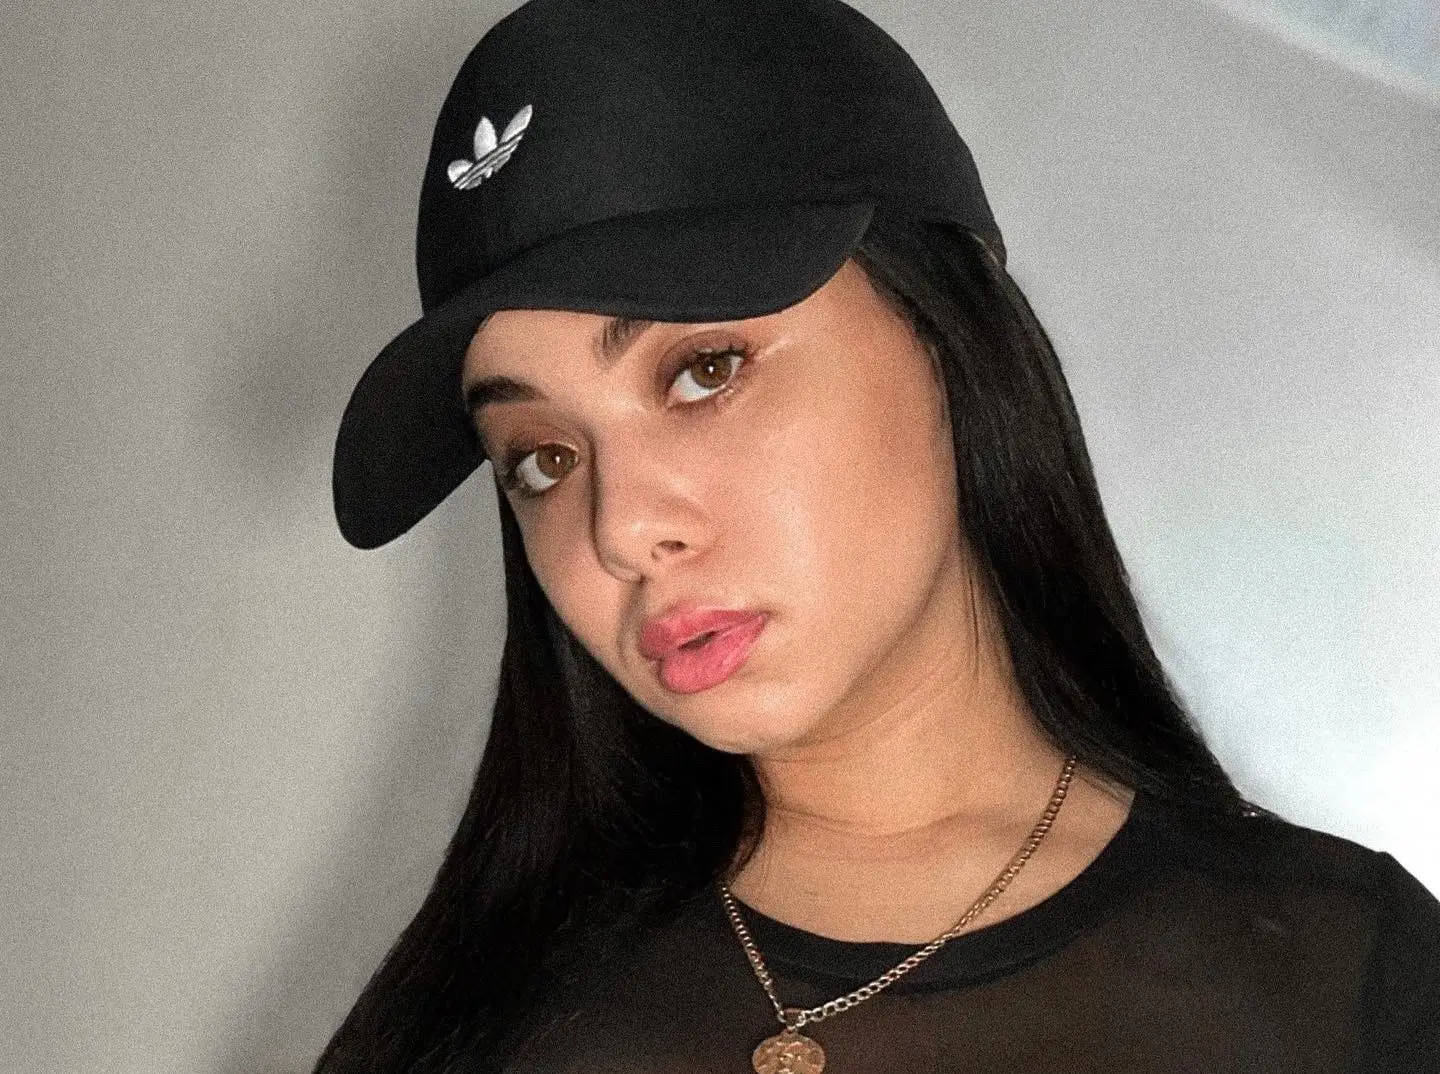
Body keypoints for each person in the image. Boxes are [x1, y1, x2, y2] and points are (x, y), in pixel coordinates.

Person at [322, 1, 1440, 1071]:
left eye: (705, 371)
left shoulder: (1348, 986)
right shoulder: (466, 1026)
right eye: (542, 459)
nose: (623, 530)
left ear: (949, 338)